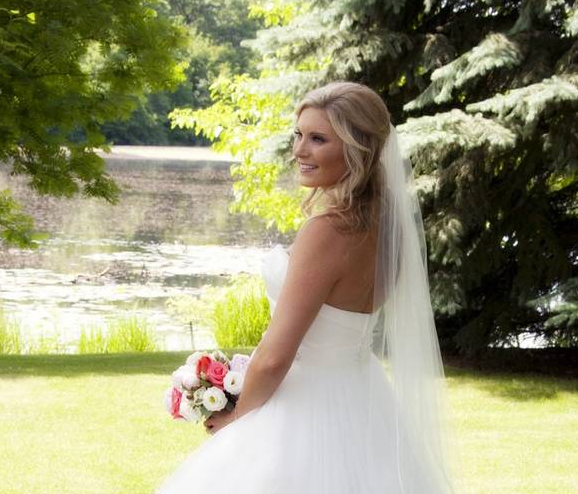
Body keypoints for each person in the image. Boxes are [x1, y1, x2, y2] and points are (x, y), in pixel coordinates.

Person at [155, 81, 459, 493]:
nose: (299, 151)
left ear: (359, 150)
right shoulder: (388, 226)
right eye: (298, 135)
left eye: (318, 139)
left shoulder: (329, 230)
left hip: (305, 404)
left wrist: (236, 419)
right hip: (363, 398)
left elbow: (276, 356)